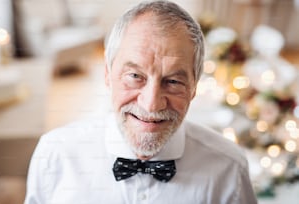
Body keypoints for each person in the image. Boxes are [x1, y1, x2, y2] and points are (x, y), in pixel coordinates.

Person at [24, 1, 257, 203]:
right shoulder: (55, 154)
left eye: (173, 81)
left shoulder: (229, 169)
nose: (151, 104)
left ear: (194, 87)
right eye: (135, 76)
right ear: (107, 74)